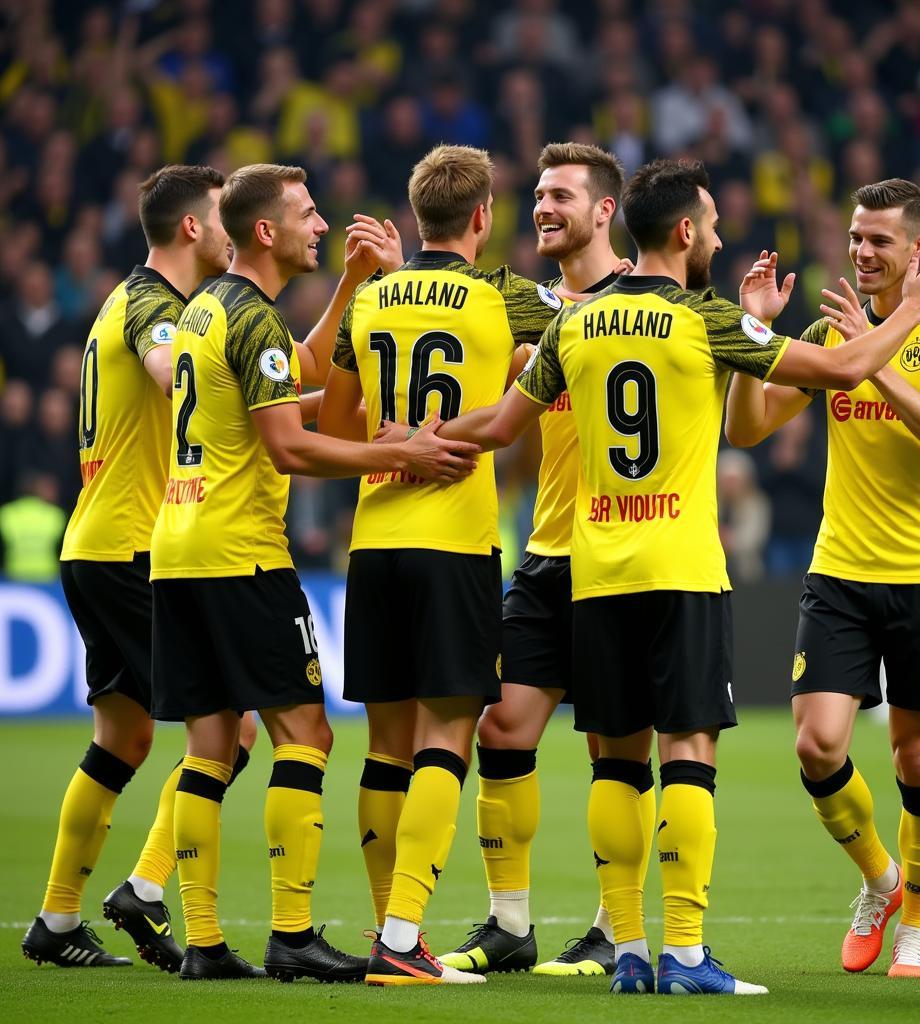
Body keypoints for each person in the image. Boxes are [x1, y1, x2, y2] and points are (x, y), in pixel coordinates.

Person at [429, 158, 920, 996]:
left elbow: (498, 423)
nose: (716, 235)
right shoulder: (706, 321)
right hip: (680, 568)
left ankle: (629, 954)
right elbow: (842, 372)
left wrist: (417, 438)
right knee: (689, 754)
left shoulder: (574, 326)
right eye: (709, 224)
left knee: (617, 764)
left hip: (594, 573)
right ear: (683, 234)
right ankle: (689, 955)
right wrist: (912, 313)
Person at [147, 162, 480, 982]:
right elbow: (291, 446)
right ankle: (293, 932)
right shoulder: (250, 317)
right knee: (307, 733)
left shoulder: (205, 312)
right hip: (241, 555)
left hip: (177, 547)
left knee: (210, 744)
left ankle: (204, 942)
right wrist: (391, 450)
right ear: (266, 231)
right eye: (306, 214)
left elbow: (302, 367)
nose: (321, 224)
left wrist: (350, 288)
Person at [724, 179, 920, 979]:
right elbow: (746, 426)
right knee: (816, 744)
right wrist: (754, 334)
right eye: (854, 237)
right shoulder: (829, 329)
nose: (860, 252)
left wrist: (869, 367)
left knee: (916, 757)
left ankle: (916, 928)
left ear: (919, 250)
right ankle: (881, 879)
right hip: (839, 568)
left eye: (878, 240)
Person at [317, 144, 562, 986]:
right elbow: (545, 371)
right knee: (447, 738)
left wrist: (396, 441)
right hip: (455, 540)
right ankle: (401, 936)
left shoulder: (372, 300)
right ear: (484, 219)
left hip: (374, 540)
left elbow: (343, 428)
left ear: (417, 217)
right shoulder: (505, 299)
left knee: (385, 746)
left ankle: (390, 932)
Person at [437, 141, 644, 979]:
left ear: (605, 210)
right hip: (545, 553)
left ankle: (612, 927)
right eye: (538, 196)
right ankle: (509, 923)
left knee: (614, 748)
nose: (543, 208)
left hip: (622, 561)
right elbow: (509, 430)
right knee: (503, 725)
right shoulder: (530, 309)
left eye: (561, 195)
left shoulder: (651, 301)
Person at [21, 165, 236, 972]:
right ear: (190, 228)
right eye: (221, 218)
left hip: (99, 543)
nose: (231, 231)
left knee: (125, 736)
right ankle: (144, 887)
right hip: (128, 552)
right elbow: (177, 376)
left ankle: (56, 920)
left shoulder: (133, 299)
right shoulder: (152, 305)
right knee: (230, 729)